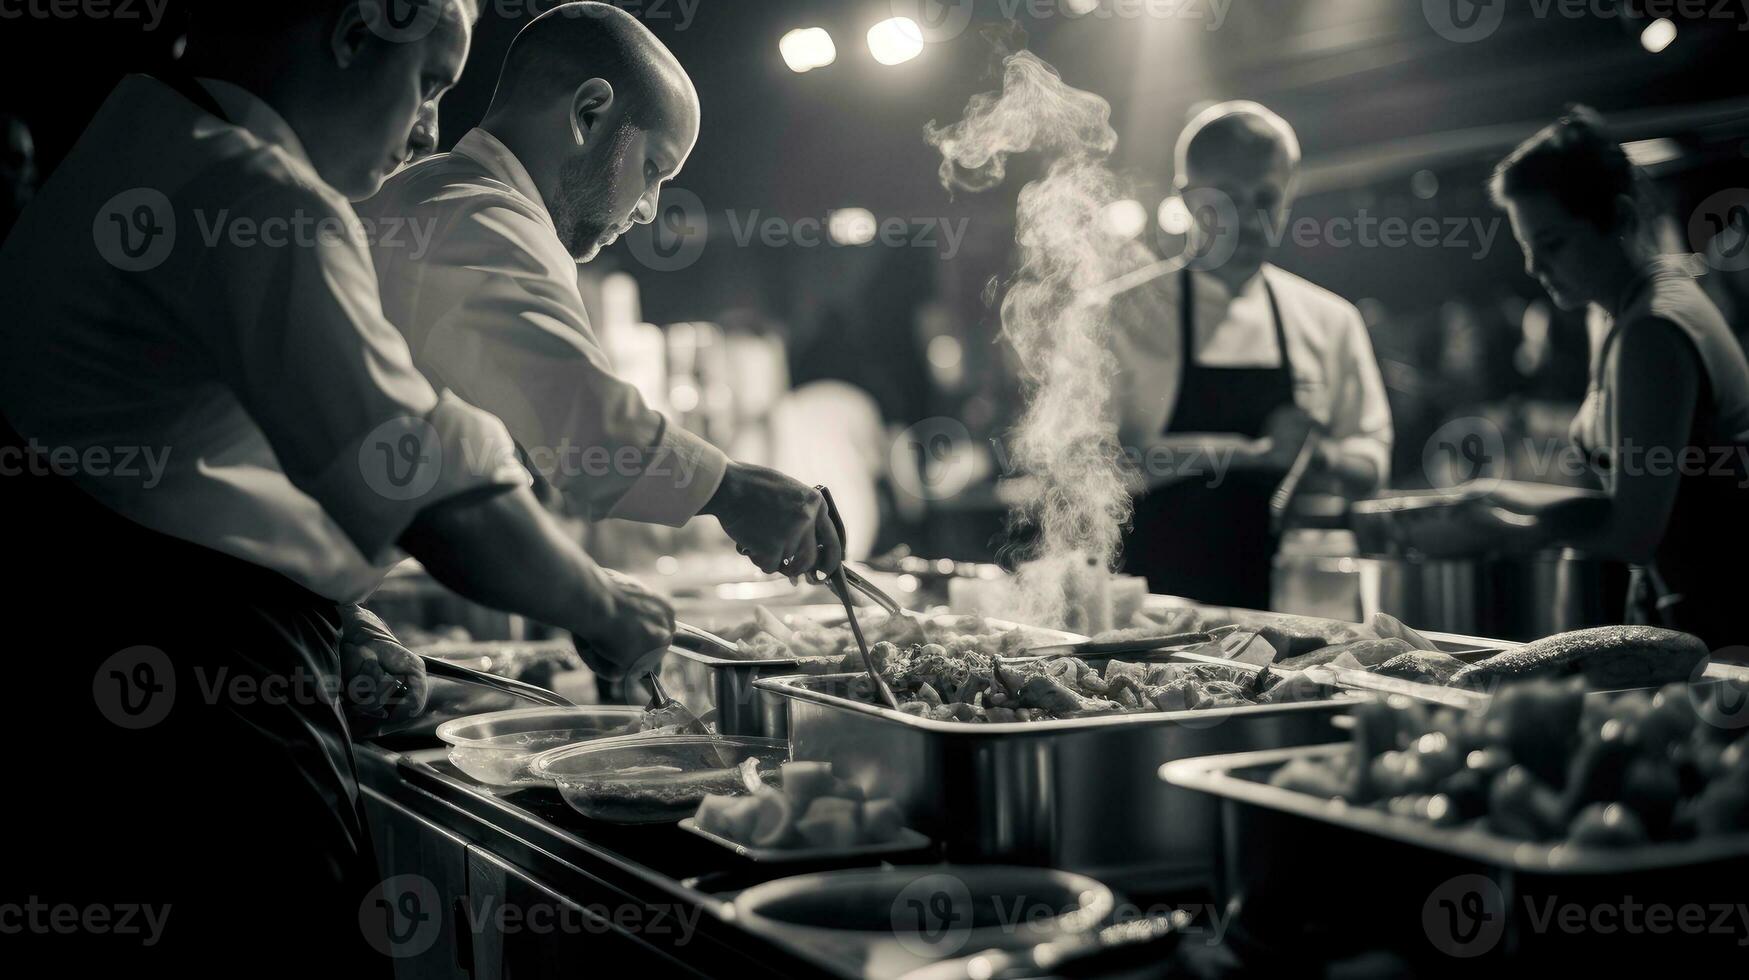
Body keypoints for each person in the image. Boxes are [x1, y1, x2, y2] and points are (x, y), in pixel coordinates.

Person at [0, 2, 671, 970]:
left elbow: (169, 456)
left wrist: (339, 618)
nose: (431, 128)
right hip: (209, 727)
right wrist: (605, 608)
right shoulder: (251, 191)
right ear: (356, 31)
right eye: (431, 80)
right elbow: (432, 490)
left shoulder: (132, 133)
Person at [360, 3, 844, 581]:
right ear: (590, 114)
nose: (648, 209)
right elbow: (585, 426)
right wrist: (734, 490)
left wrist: (350, 620)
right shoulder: (484, 216)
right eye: (653, 169)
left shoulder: (436, 193)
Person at [1482, 106, 1749, 650]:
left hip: (1727, 623)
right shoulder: (1610, 311)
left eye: (1552, 243)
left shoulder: (1652, 328)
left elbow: (1631, 531)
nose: (1534, 268)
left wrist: (1507, 531)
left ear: (1621, 219)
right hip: (1688, 611)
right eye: (1527, 247)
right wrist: (1486, 495)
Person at [1111, 101, 1392, 609]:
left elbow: (1372, 458)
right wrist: (1255, 453)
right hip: (1154, 615)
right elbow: (1089, 468)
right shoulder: (1119, 315)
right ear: (1187, 200)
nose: (1248, 221)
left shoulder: (1330, 320)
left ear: (1289, 194)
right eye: (1225, 202)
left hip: (1300, 602)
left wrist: (1322, 454)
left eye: (1265, 199)